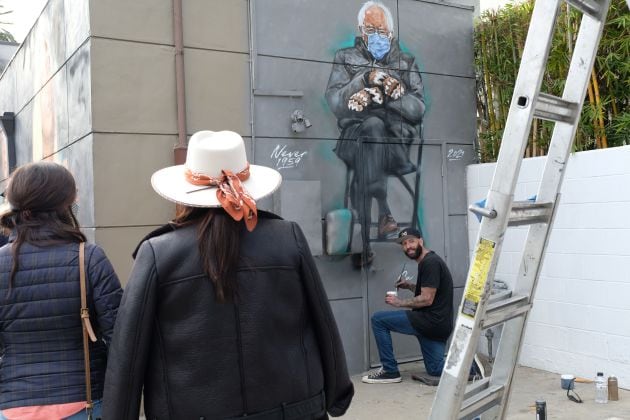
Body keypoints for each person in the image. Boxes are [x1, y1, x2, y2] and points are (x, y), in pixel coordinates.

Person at [103, 130, 354, 419]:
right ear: (246, 186)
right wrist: (338, 392)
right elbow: (322, 320)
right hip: (294, 410)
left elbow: (129, 353)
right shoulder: (288, 238)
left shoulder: (158, 253)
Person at [0, 161, 123, 419]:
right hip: (84, 401)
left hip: (13, 403)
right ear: (64, 205)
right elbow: (120, 338)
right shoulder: (88, 257)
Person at [326, 1, 425, 242]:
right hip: (354, 138)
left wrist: (390, 95)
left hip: (396, 146)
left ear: (390, 33)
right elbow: (336, 102)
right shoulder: (345, 57)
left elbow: (418, 109)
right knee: (372, 127)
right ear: (360, 30)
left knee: (375, 133)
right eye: (370, 31)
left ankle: (366, 233)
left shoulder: (405, 62)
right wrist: (364, 79)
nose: (376, 36)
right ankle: (383, 211)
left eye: (381, 31)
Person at [363, 227, 484, 385]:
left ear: (421, 241)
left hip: (429, 321)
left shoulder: (430, 263)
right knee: (435, 369)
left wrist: (399, 303)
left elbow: (427, 299)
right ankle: (470, 366)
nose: (408, 246)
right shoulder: (428, 261)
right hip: (438, 325)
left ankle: (389, 370)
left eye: (411, 241)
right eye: (404, 244)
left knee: (378, 320)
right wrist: (410, 286)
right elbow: (432, 291)